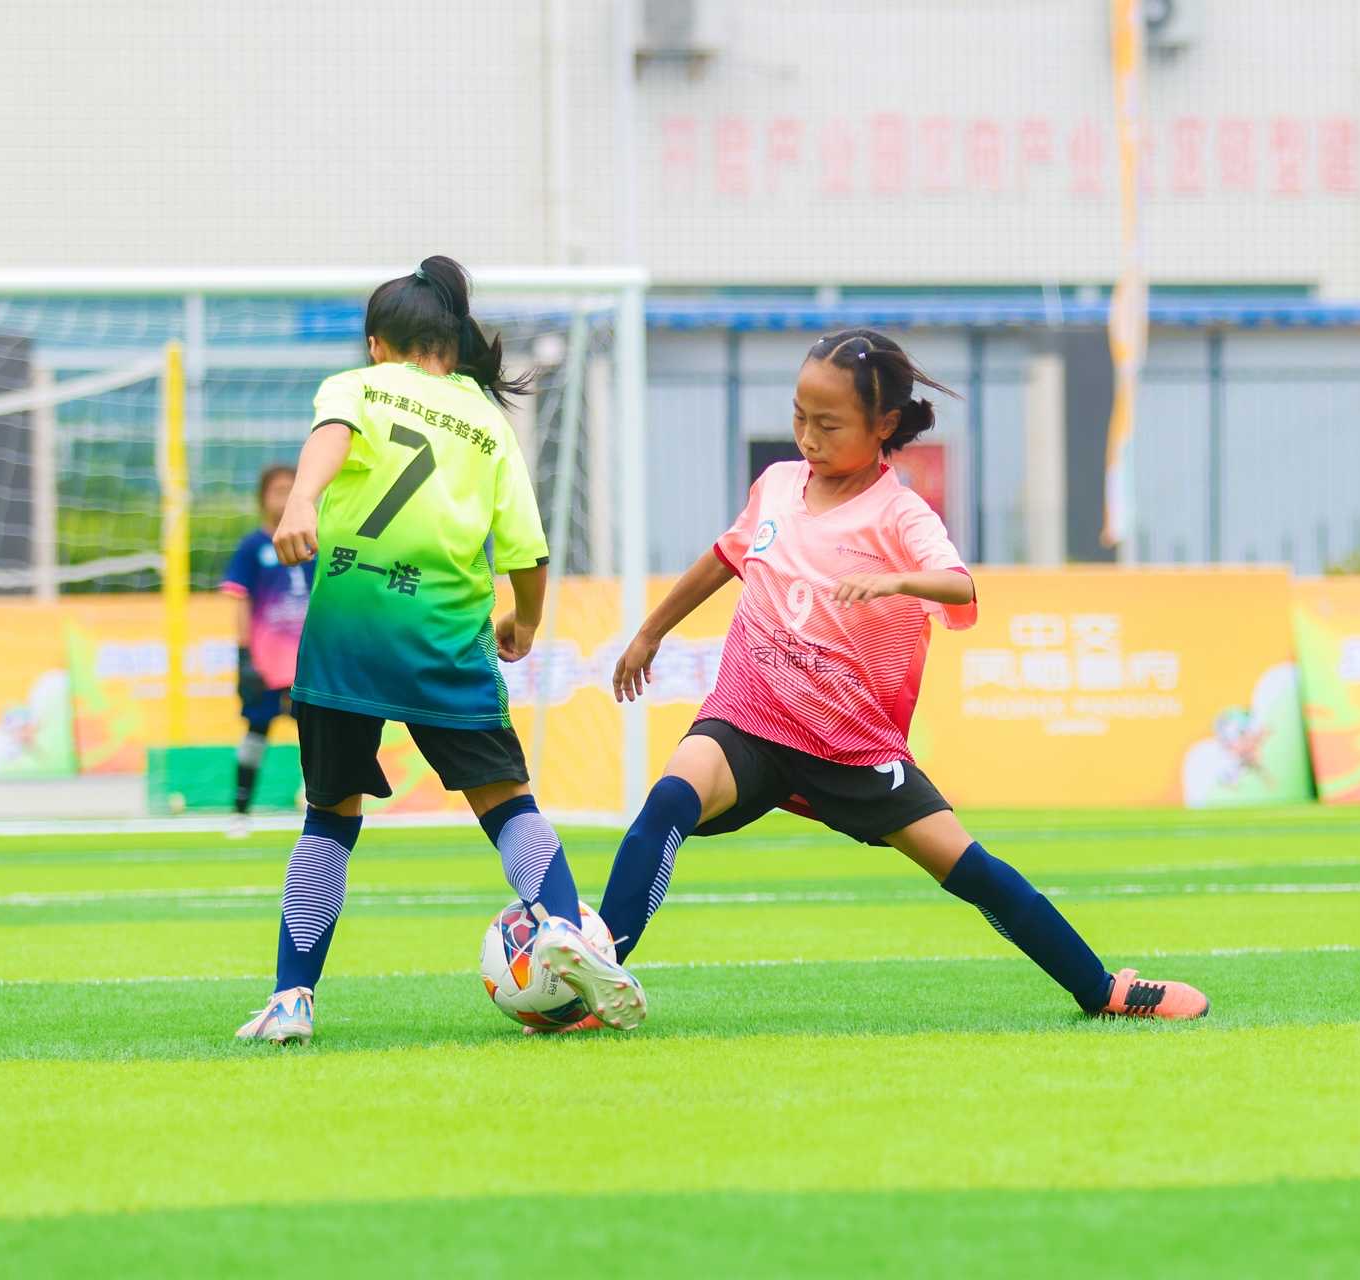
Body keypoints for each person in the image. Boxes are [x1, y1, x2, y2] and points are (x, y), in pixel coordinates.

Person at [586, 328, 1209, 1027]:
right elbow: (724, 557)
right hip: (750, 719)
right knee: (671, 796)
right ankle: (595, 981)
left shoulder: (900, 513)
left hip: (852, 747)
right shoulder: (777, 487)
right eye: (799, 417)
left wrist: (897, 580)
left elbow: (958, 583)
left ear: (883, 425)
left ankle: (1104, 990)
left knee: (970, 870)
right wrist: (651, 631)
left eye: (829, 424)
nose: (808, 438)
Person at [235, 256, 641, 1043]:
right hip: (447, 641)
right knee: (508, 804)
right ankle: (565, 926)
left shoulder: (357, 385)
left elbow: (330, 436)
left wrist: (303, 499)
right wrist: (525, 622)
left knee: (328, 818)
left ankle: (292, 998)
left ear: (376, 343)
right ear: (451, 348)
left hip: (347, 636)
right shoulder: (488, 423)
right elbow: (528, 549)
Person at [220, 464, 314, 836]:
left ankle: (319, 806)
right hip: (267, 663)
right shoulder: (253, 547)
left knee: (317, 734)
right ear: (262, 499)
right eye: (278, 491)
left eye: (292, 489)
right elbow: (240, 600)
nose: (285, 498)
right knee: (256, 732)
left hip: (307, 663)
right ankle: (240, 811)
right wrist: (244, 656)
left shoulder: (316, 544)